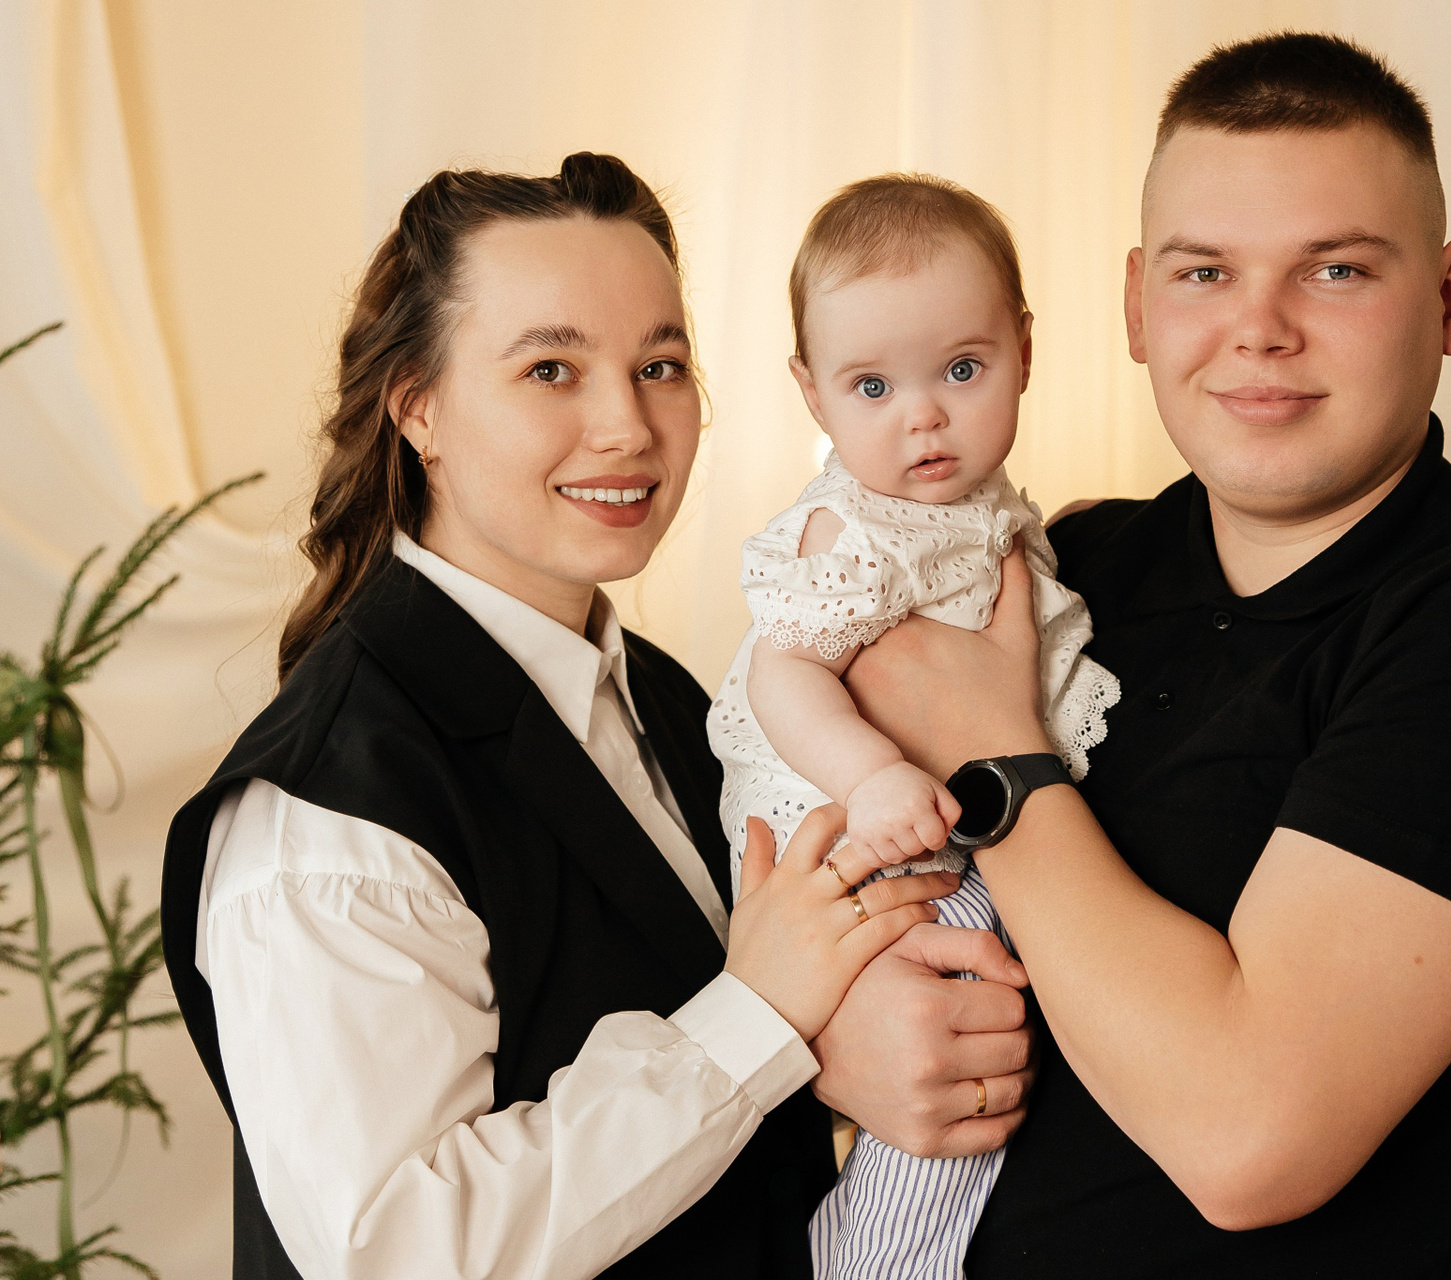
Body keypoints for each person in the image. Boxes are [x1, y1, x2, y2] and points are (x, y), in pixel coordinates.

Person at [842, 33, 1451, 1278]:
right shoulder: (1065, 564)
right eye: (1205, 272)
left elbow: (1249, 1140)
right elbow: (834, 909)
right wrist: (839, 1036)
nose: (1259, 330)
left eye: (1335, 270)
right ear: (1136, 304)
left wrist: (993, 758)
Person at [158, 153, 1027, 1280]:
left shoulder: (671, 696)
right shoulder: (329, 816)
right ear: (418, 407)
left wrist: (831, 1043)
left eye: (658, 366)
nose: (627, 426)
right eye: (551, 369)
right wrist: (765, 1016)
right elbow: (399, 1252)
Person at [704, 174, 1119, 1279]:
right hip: (858, 840)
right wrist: (874, 772)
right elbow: (784, 672)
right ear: (812, 393)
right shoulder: (847, 530)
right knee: (964, 1027)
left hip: (937, 827)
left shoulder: (975, 501)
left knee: (1008, 1026)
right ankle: (874, 1260)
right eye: (873, 385)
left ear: (1024, 349)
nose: (922, 415)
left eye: (962, 370)